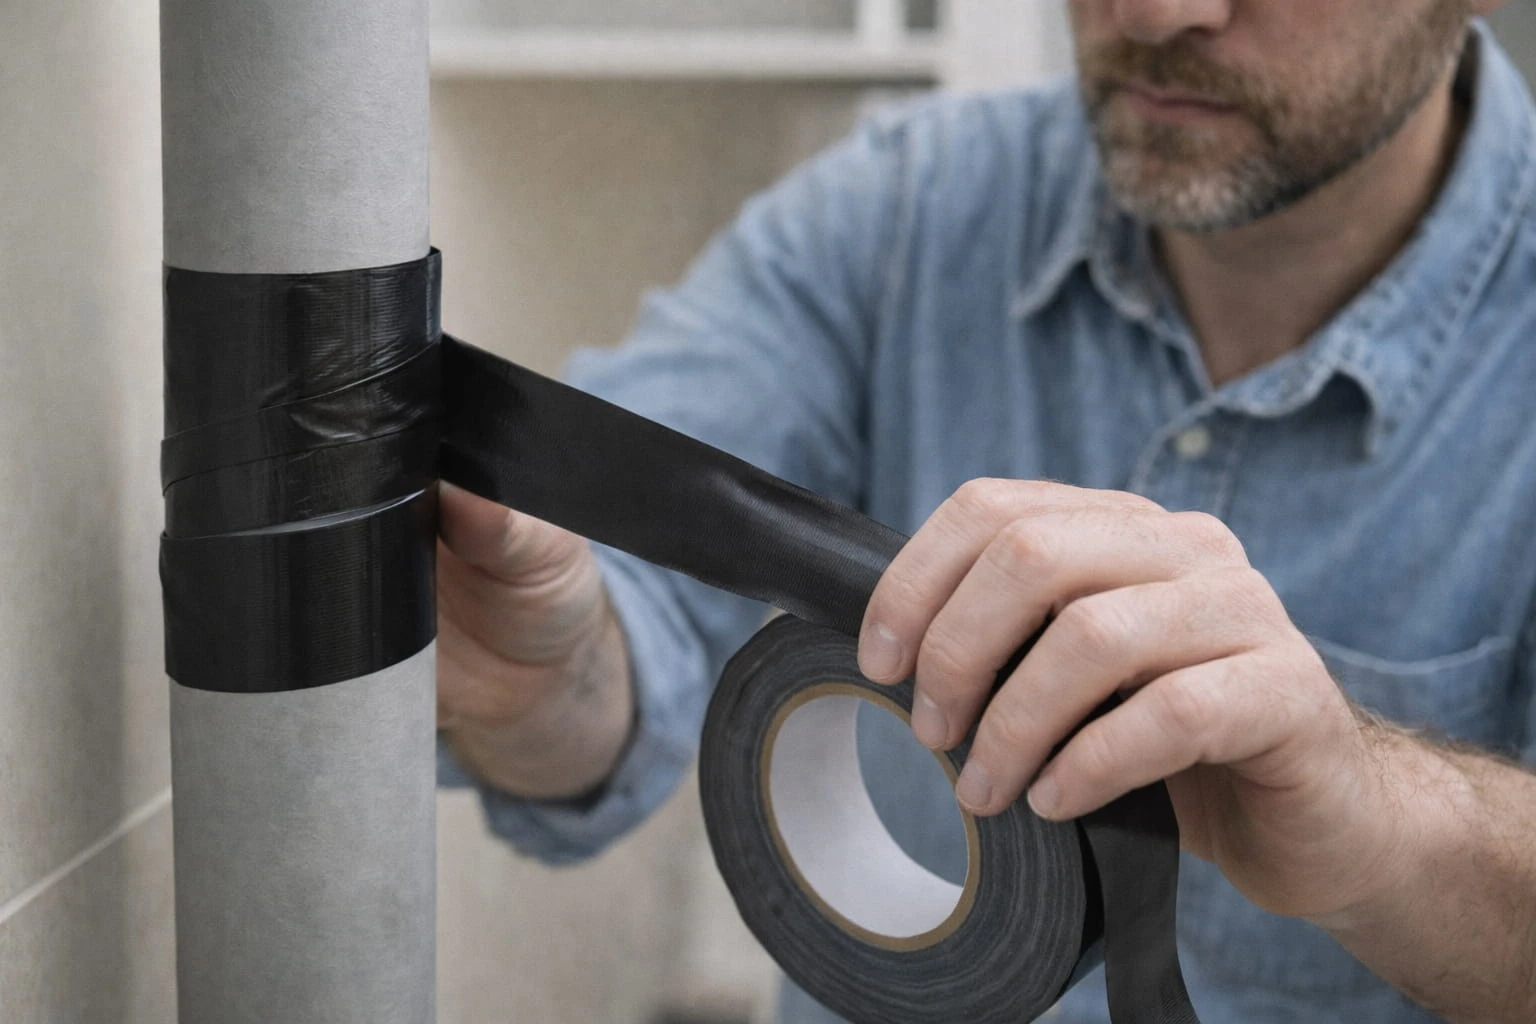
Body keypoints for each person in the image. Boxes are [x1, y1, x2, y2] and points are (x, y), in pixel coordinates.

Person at [435, 1, 1536, 1021]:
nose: (1156, 11)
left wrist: (1388, 814)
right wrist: (547, 679)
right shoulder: (904, 210)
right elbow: (620, 619)